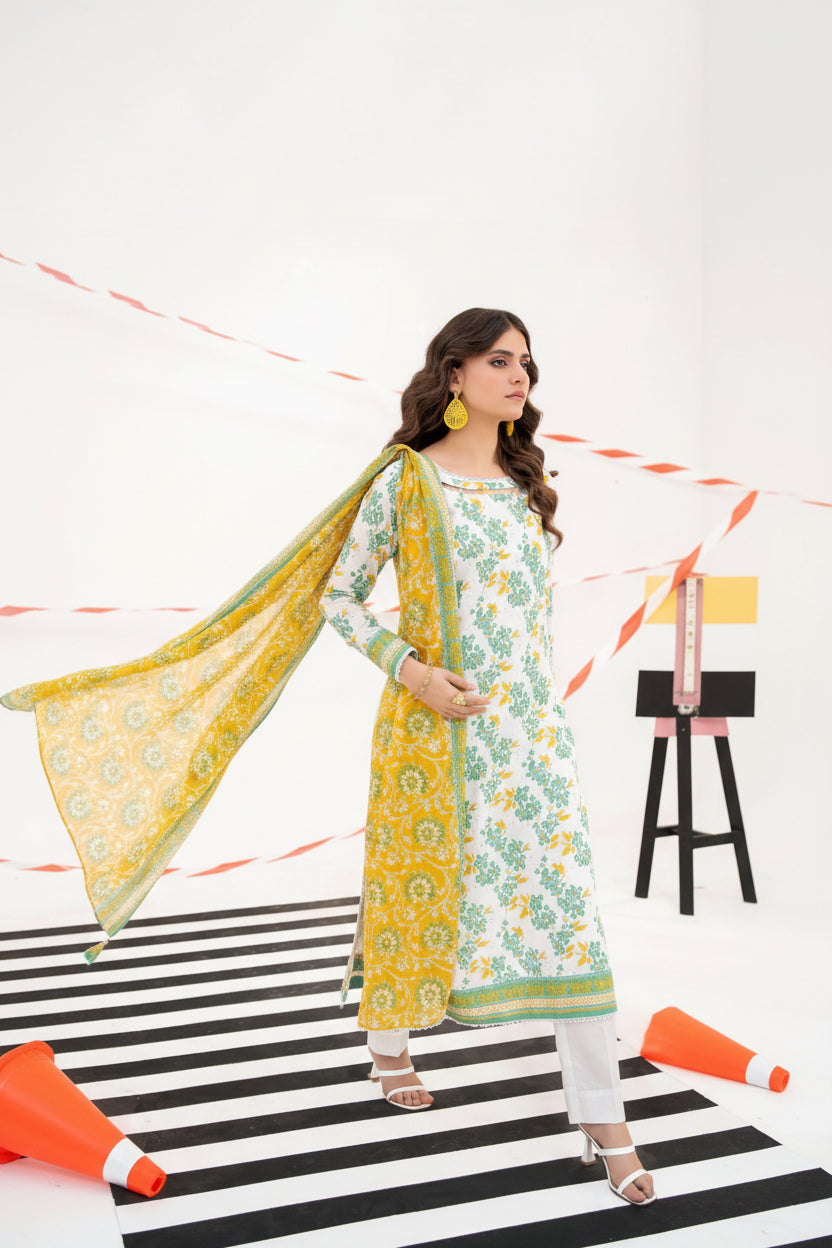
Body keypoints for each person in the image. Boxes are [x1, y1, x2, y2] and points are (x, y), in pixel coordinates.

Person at [318, 307, 656, 1206]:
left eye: (529, 366)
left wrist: (536, 718)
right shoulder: (405, 482)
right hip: (433, 735)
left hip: (531, 739)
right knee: (414, 883)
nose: (521, 379)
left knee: (567, 908)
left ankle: (600, 1113)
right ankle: (388, 1041)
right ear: (454, 374)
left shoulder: (524, 482)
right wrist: (415, 673)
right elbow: (340, 598)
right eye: (501, 361)